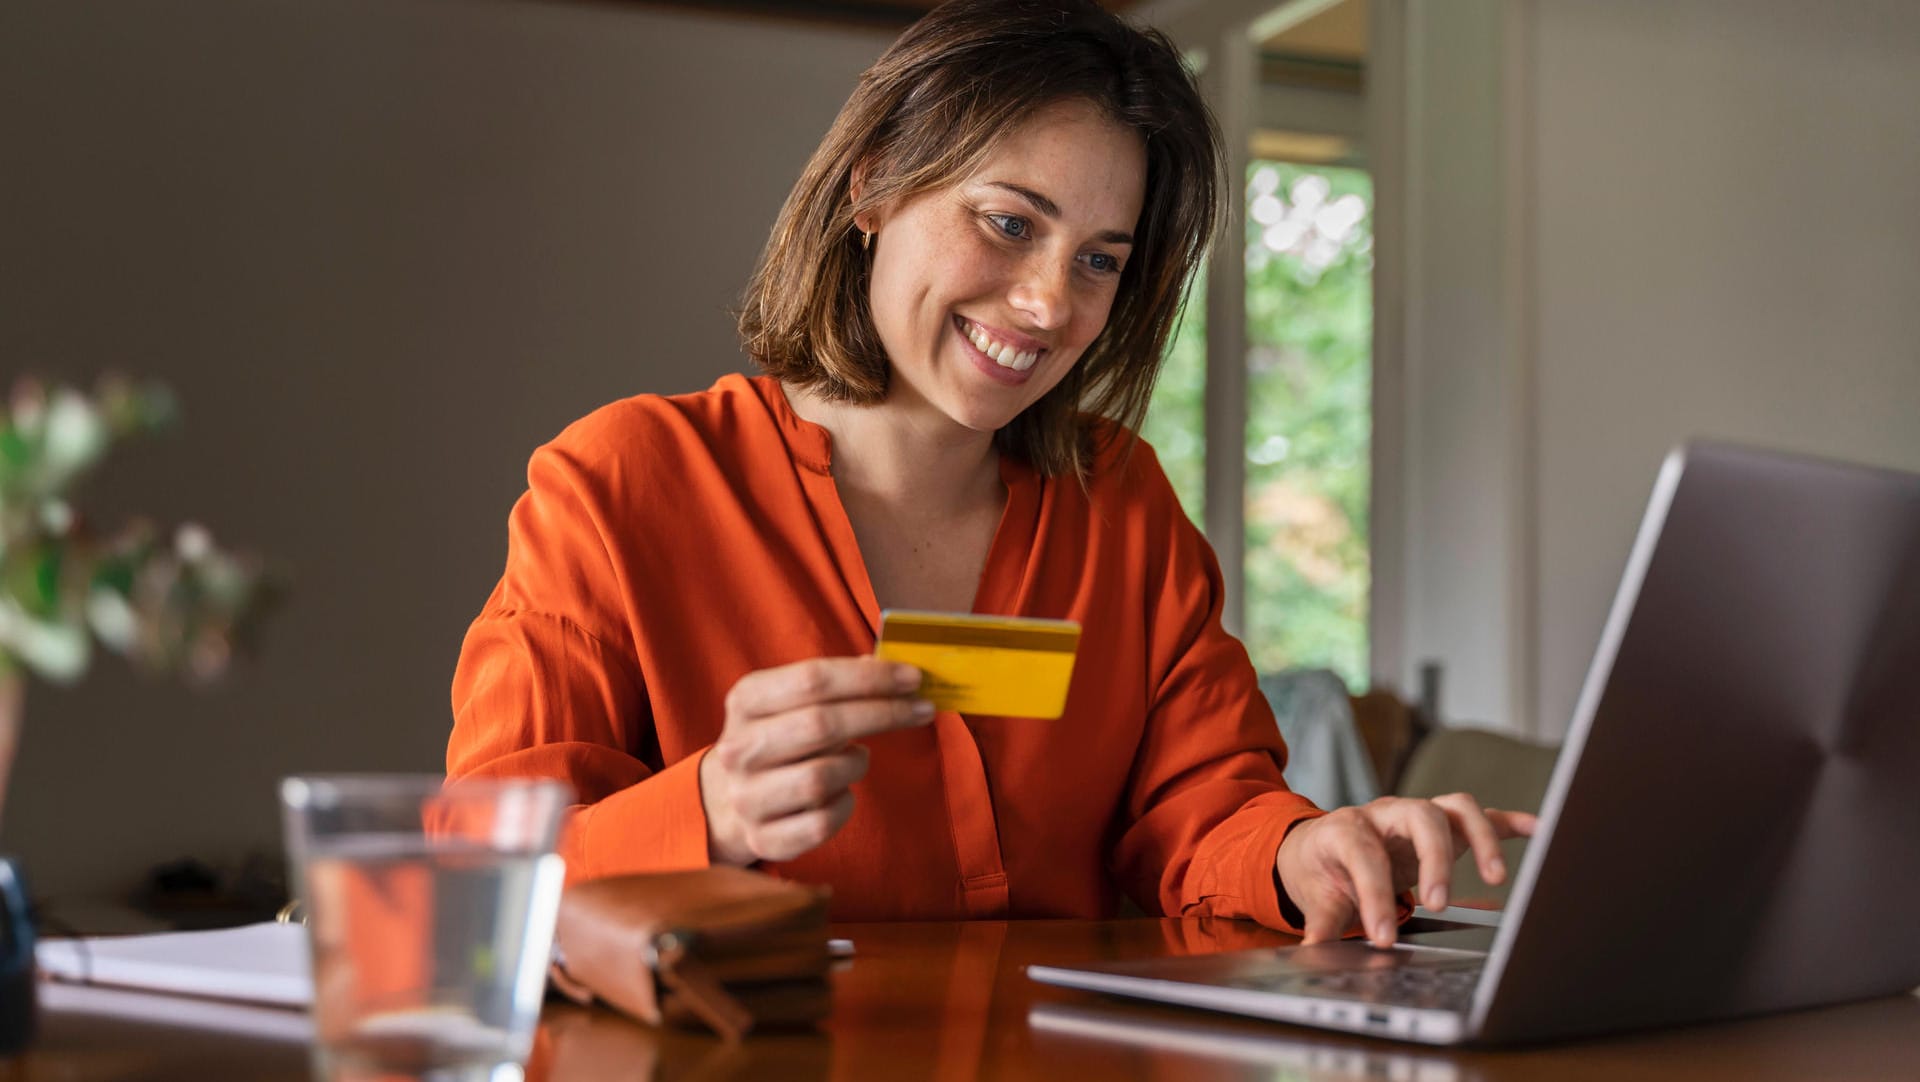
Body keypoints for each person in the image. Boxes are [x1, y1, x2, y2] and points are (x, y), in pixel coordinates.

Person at [447, 0, 1533, 948]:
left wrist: (1307, 852)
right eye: (1010, 223)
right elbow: (480, 888)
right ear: (871, 189)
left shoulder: (1122, 505)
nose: (1050, 304)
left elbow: (1206, 807)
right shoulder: (622, 482)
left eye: (1099, 259)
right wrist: (710, 810)